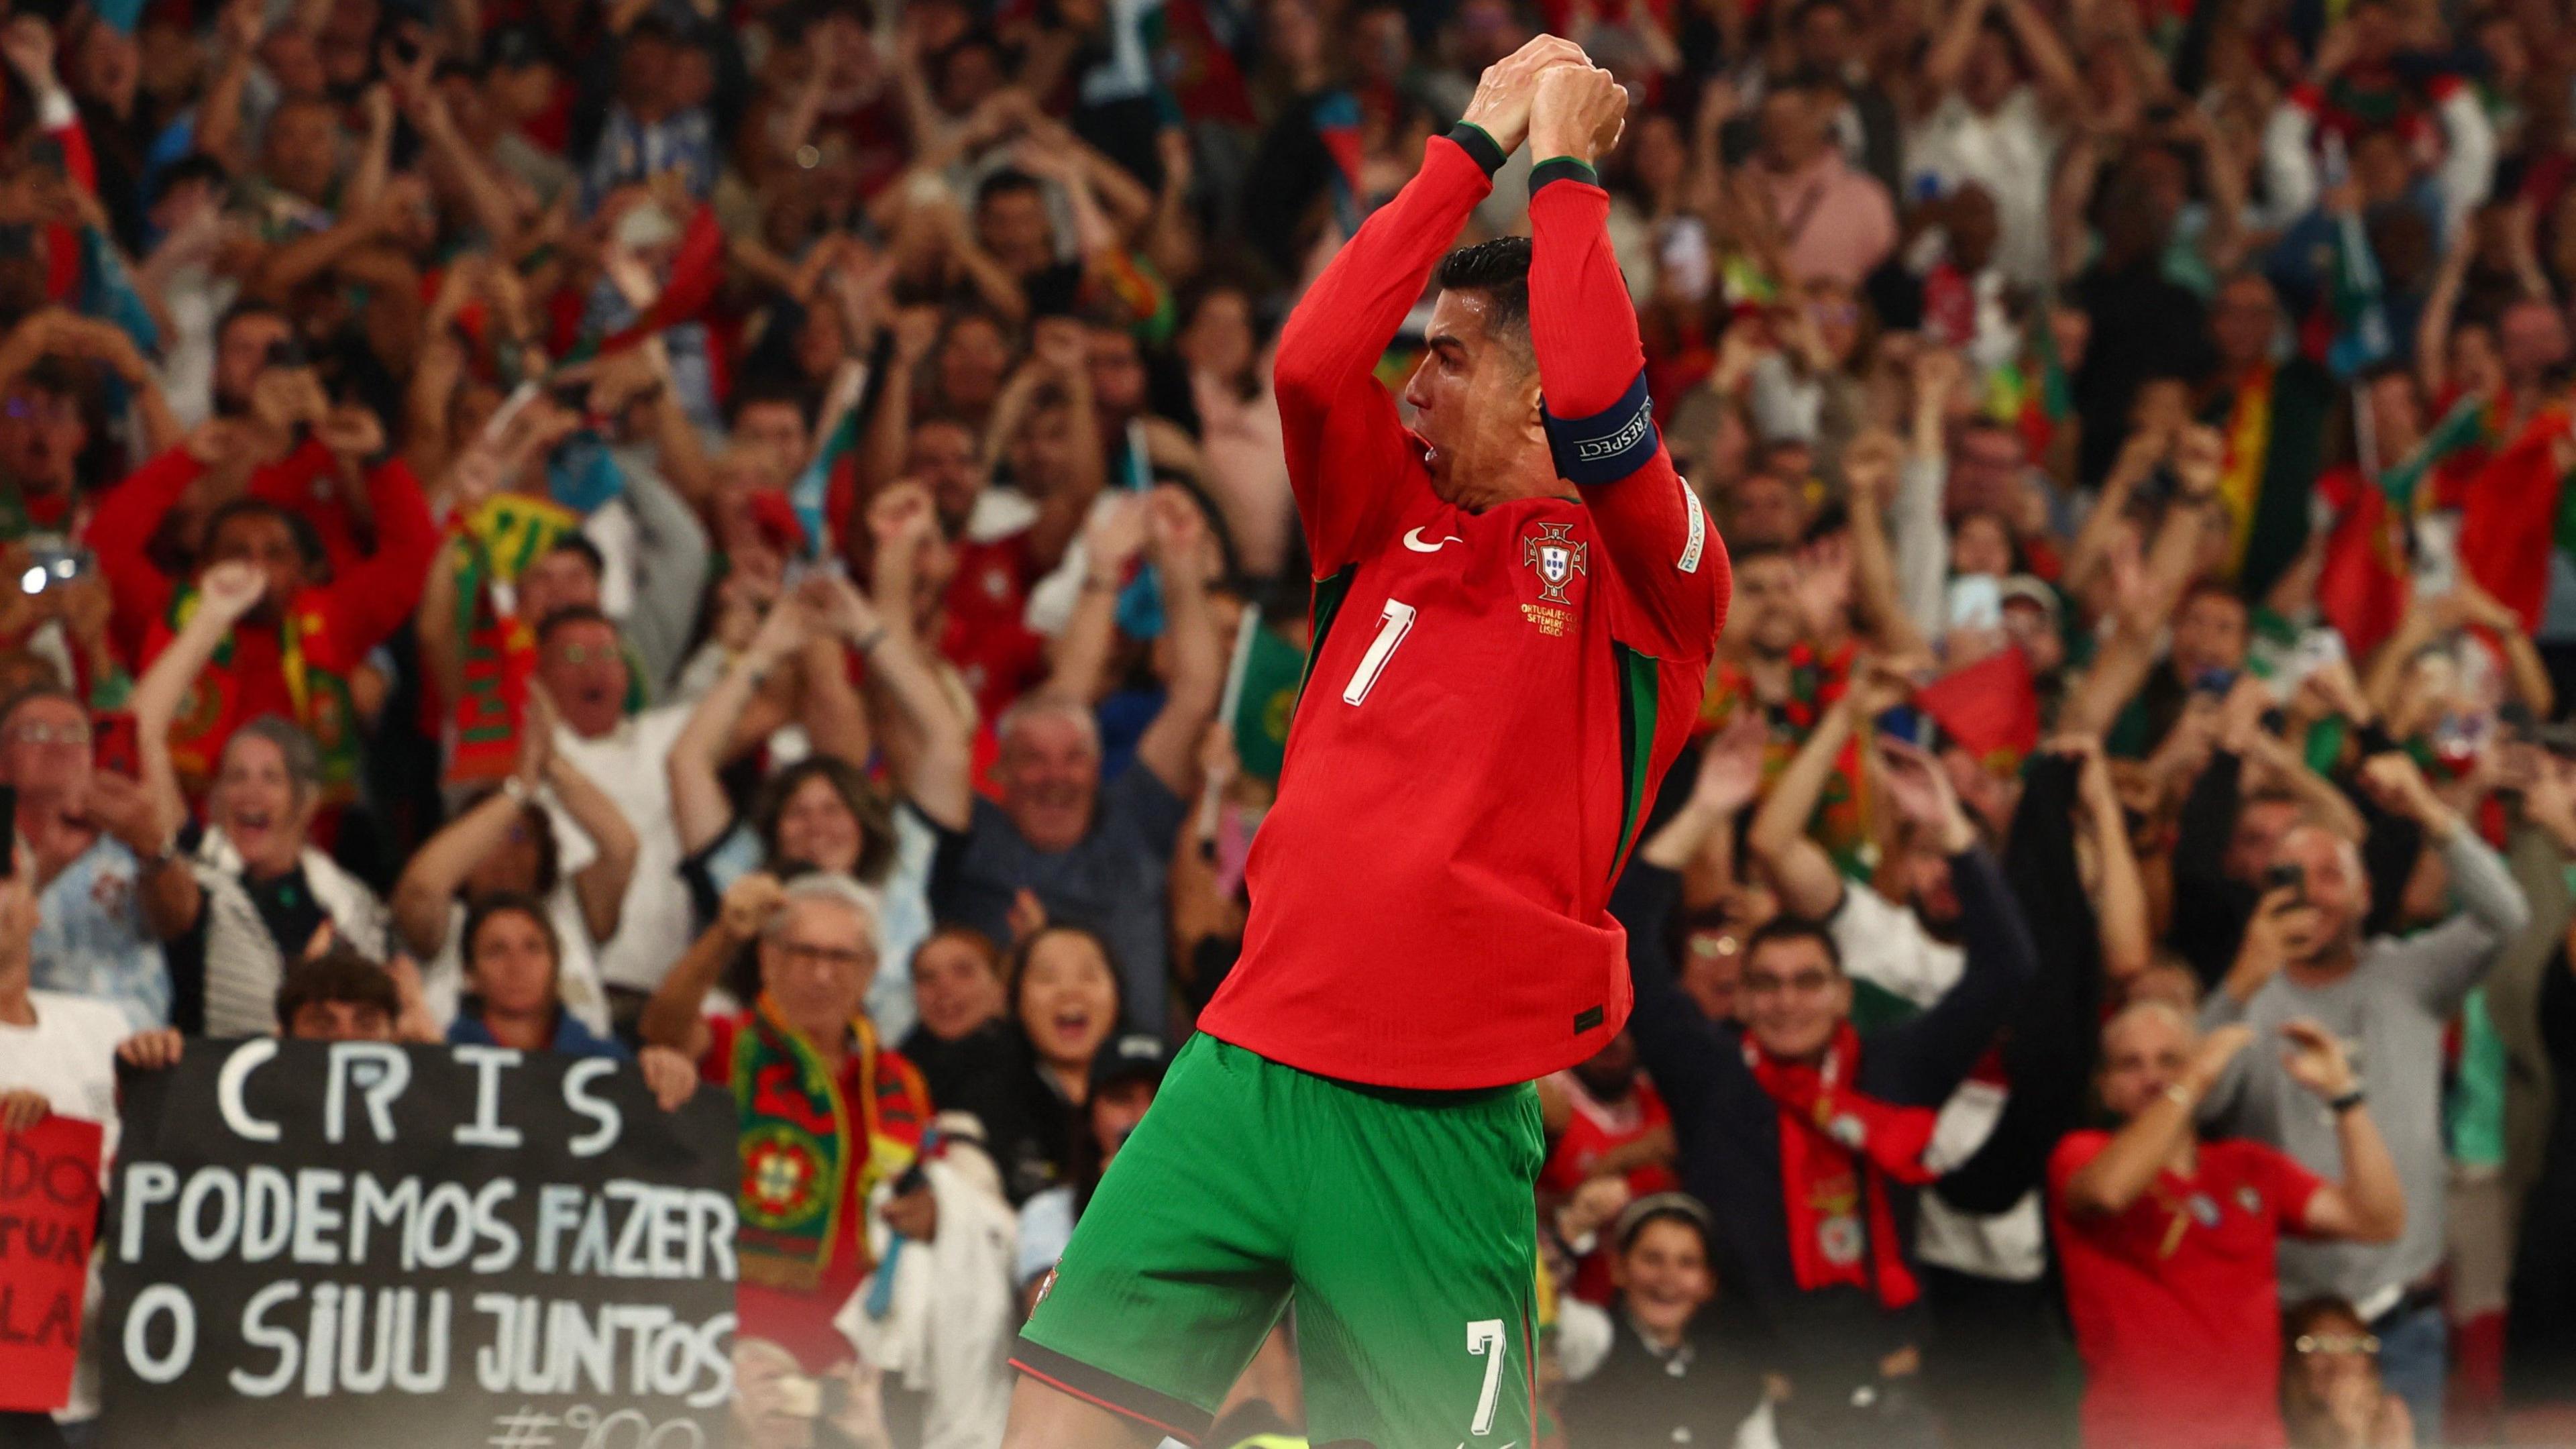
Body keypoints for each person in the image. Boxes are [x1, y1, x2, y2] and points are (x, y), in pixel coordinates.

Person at [1004, 47, 1727, 1449]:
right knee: (1048, 1425)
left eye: (1448, 361)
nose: (1408, 392)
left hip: (1436, 1117)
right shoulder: (1379, 521)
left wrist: (1566, 171)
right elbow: (1309, 355)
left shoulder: (1650, 576)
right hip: (1244, 1062)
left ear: (1526, 393)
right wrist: (1469, 145)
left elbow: (1598, 400)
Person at [1619, 734, 2035, 1448]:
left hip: (1897, 1397)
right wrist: (1704, 812)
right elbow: (1626, 944)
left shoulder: (1894, 1070)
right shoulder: (1712, 1077)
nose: (1788, 1002)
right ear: (1741, 1000)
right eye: (1766, 984)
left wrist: (1948, 825)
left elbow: (2006, 969)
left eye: (1809, 981)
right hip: (1761, 1405)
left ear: (1843, 994)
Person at [2200, 752, 2532, 1442]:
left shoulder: (2411, 974)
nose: (2314, 894)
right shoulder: (2246, 993)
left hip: (2398, 1314)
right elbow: (2198, 1104)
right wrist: (2240, 982)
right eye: (2292, 877)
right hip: (2292, 1324)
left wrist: (2432, 813)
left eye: (2331, 875)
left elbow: (2507, 917)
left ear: (2363, 895)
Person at [2049, 1003, 2405, 1449]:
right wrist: (2191, 1081)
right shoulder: (2082, 1157)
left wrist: (2345, 1097)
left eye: (2170, 1060)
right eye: (2131, 1064)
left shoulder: (2248, 1165)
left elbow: (2378, 1219)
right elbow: (2110, 1193)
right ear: (2105, 1089)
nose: (2154, 1078)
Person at [637, 871, 934, 1377]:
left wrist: (933, 1211)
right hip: (736, 1351)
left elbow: (934, 1190)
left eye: (841, 958)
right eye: (805, 954)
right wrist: (724, 934)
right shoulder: (733, 1046)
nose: (822, 975)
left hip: (857, 1359)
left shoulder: (897, 1081)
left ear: (870, 971)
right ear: (768, 959)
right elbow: (661, 1029)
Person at [129, 561, 391, 1037]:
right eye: (234, 777)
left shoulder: (349, 904)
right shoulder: (188, 865)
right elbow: (141, 732)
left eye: (270, 778)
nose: (249, 792)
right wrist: (212, 616)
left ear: (307, 801)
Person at [0, 682, 194, 1031]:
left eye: (75, 733)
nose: (58, 745)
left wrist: (153, 849)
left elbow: (179, 922)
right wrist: (48, 866)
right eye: (35, 732)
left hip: (137, 1049)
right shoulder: (6, 845)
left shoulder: (128, 831)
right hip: (29, 1047)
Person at [1556, 1194, 1771, 1449]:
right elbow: (1541, 1306)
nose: (1668, 1278)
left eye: (1687, 1263)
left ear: (1708, 1282)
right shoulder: (1590, 1339)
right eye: (1652, 1259)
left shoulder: (1737, 1374)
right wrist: (1567, 1237)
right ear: (1619, 1268)